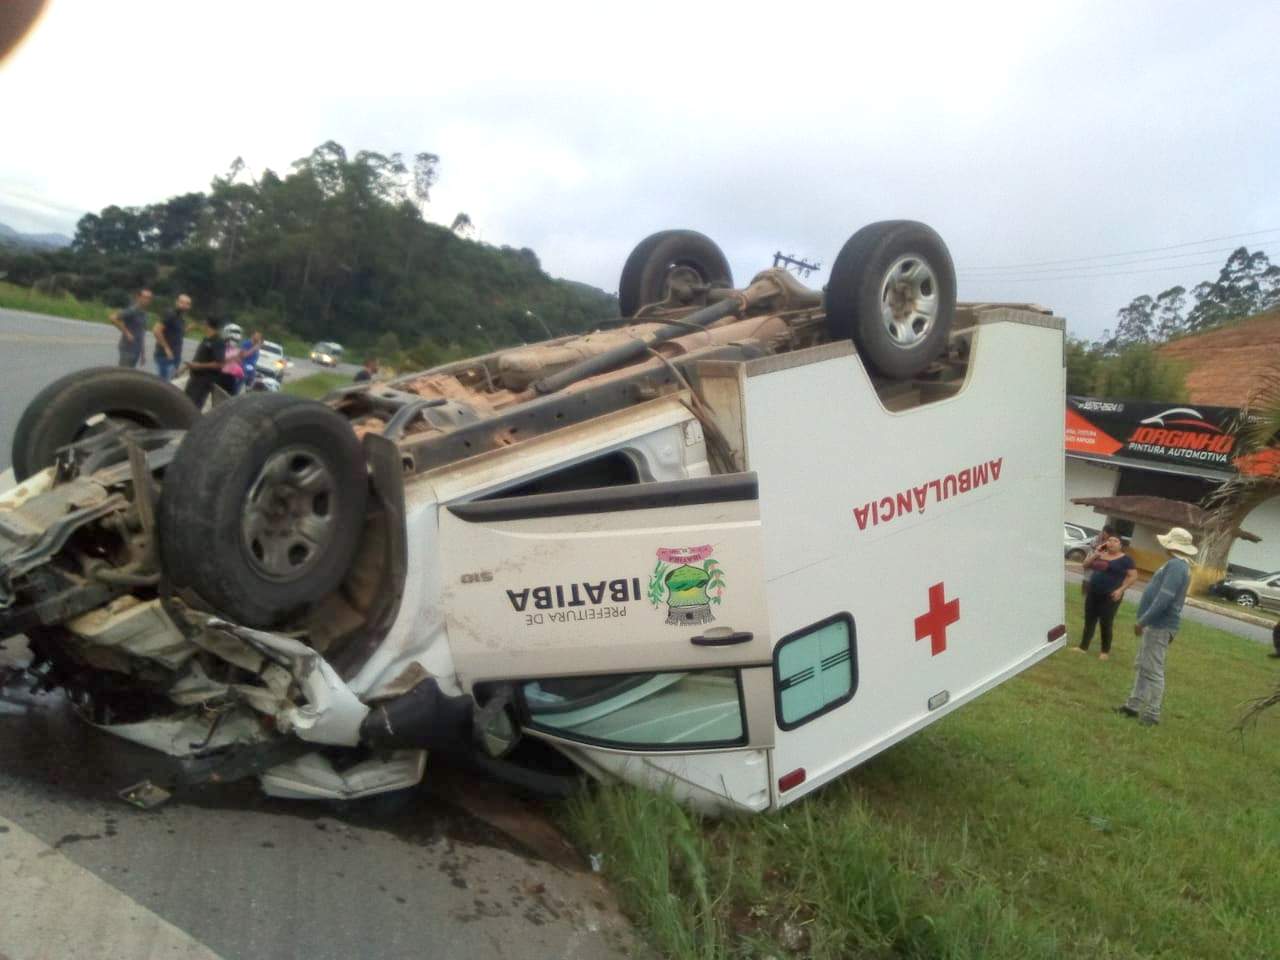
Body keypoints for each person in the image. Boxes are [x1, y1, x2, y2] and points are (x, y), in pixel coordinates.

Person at [1116, 527, 1197, 727]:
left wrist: (1143, 620)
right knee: (1144, 665)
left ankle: (1152, 713)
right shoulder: (1177, 565)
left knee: (1153, 669)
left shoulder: (1177, 566)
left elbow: (1165, 597)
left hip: (1160, 624)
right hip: (1156, 623)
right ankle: (1132, 705)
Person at [1075, 534, 1137, 659]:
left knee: (1106, 622)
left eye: (1115, 541)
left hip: (1110, 595)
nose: (1112, 543)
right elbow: (1085, 565)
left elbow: (1133, 576)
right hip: (1093, 592)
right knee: (1089, 620)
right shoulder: (1100, 555)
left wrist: (1120, 590)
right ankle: (1083, 647)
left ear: (1120, 545)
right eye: (1110, 540)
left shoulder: (1126, 560)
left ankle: (1104, 652)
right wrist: (1096, 554)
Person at [184, 316, 226, 409]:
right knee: (185, 401)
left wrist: (199, 366)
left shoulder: (218, 342)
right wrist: (184, 369)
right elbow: (199, 357)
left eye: (204, 323)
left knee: (193, 406)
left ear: (207, 325)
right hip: (195, 377)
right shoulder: (206, 339)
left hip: (204, 380)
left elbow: (219, 364)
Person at [152, 293, 191, 380]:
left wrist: (188, 329)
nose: (184, 305)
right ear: (176, 302)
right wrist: (166, 348)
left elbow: (177, 334)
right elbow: (156, 330)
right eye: (182, 302)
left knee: (169, 383)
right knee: (162, 385)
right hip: (165, 356)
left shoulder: (181, 318)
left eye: (187, 304)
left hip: (175, 356)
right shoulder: (170, 314)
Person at [110, 288, 152, 367]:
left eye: (149, 298)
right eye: (145, 297)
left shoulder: (145, 314)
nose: (147, 300)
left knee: (130, 375)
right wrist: (127, 333)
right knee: (123, 375)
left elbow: (142, 334)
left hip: (136, 350)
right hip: (127, 349)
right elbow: (113, 318)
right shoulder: (132, 310)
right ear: (138, 297)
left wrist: (143, 354)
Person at [217, 325, 245, 396]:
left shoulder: (236, 349)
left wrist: (239, 358)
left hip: (230, 376)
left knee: (229, 396)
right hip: (222, 374)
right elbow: (221, 360)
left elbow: (239, 362)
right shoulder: (222, 347)